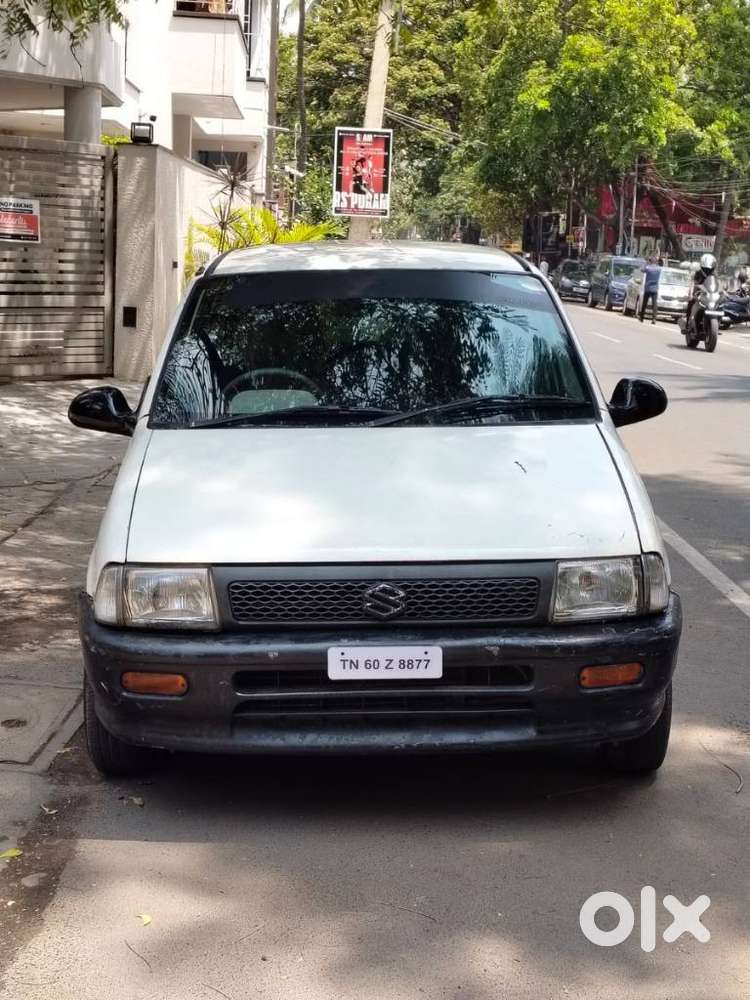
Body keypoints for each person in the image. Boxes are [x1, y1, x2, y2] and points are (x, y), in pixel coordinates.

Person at [685, 252, 717, 327]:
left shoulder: (714, 274)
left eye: (709, 269)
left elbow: (717, 283)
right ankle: (688, 323)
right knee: (691, 302)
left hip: (709, 294)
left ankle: (715, 323)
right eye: (705, 268)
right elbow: (693, 283)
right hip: (699, 292)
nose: (707, 270)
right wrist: (691, 294)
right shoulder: (698, 273)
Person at [639, 256, 663, 324]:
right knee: (654, 304)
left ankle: (642, 317)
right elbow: (661, 264)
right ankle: (654, 318)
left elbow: (641, 269)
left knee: (644, 303)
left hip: (648, 288)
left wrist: (646, 262)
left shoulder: (648, 268)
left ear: (650, 261)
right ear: (656, 262)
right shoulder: (658, 269)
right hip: (655, 288)